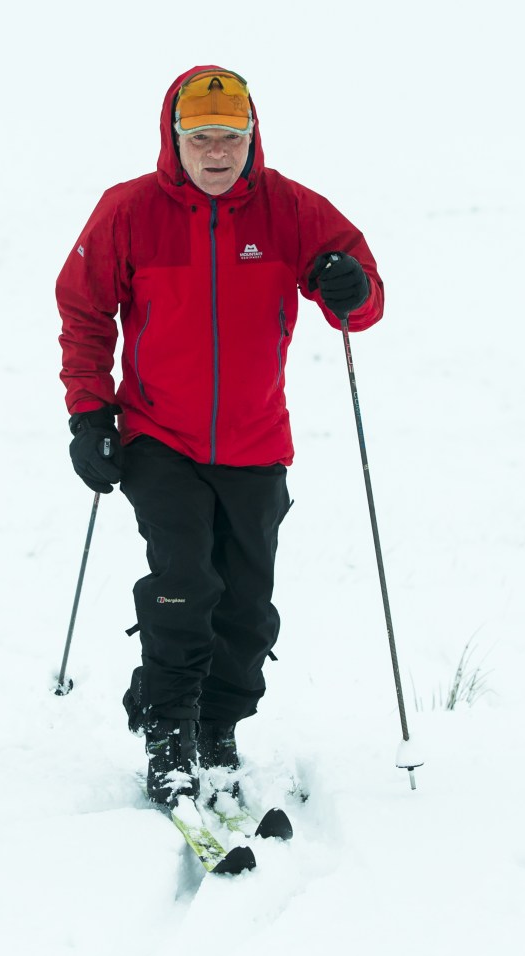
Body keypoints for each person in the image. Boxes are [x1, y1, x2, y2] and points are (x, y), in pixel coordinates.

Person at [56, 66, 384, 808]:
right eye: (199, 137)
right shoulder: (129, 211)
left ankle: (218, 725)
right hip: (156, 432)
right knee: (183, 583)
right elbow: (83, 310)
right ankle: (169, 733)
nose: (215, 152)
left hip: (255, 439)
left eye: (229, 137)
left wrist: (351, 288)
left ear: (250, 135)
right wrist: (88, 415)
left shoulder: (290, 210)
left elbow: (360, 297)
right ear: (174, 139)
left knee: (243, 603)